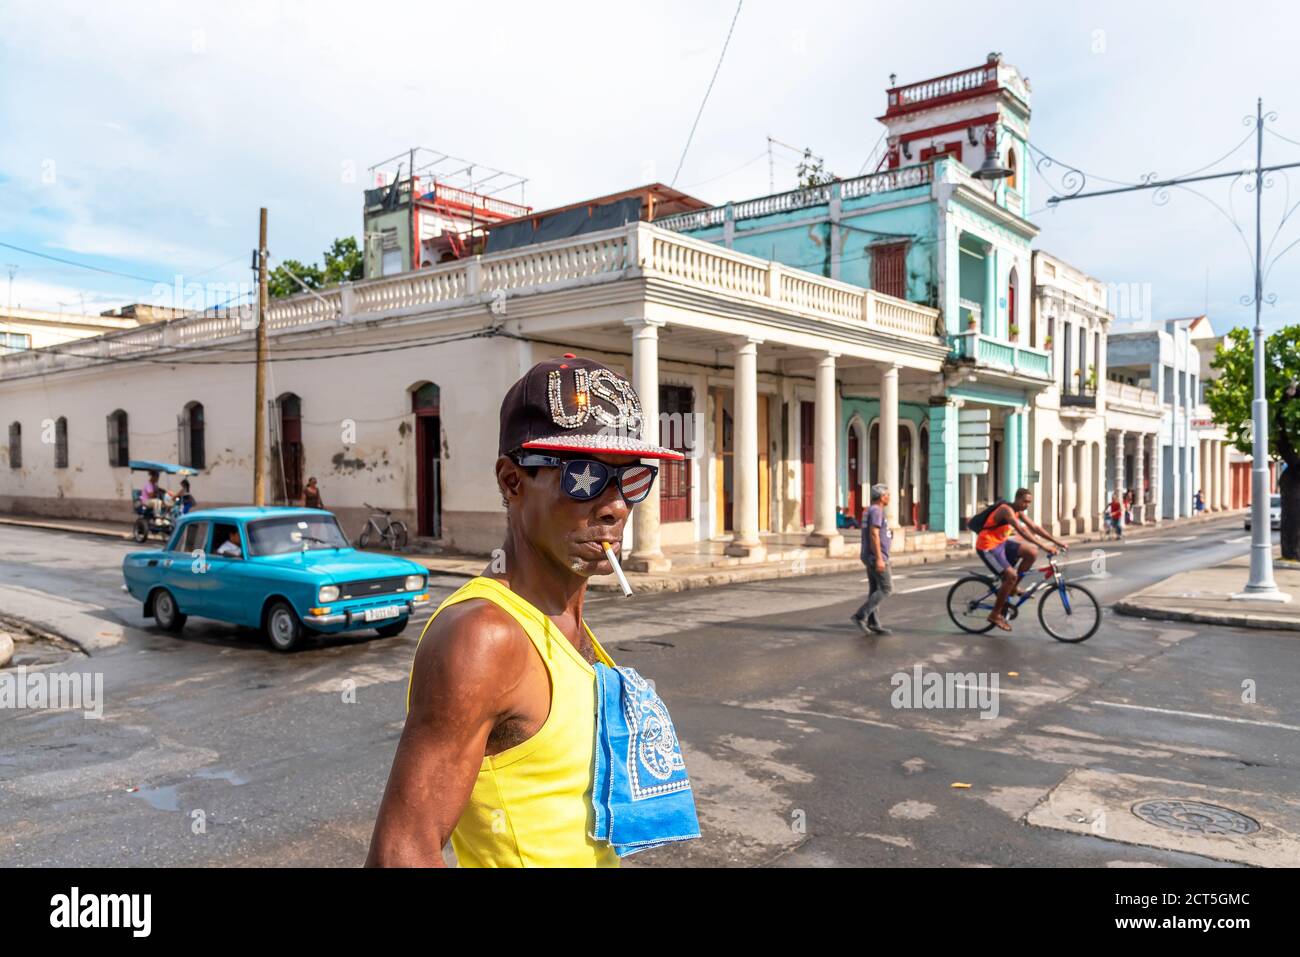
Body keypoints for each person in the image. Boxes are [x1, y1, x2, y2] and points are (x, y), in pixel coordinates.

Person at [367, 355, 697, 868]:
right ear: (512, 481)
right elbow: (402, 851)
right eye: (584, 476)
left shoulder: (564, 617)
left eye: (632, 479)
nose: (615, 506)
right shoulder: (482, 637)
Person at [973, 488, 1064, 632]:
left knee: (1031, 552)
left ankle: (1012, 588)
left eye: (1029, 503)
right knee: (1011, 576)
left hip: (1001, 543)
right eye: (1025, 501)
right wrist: (1044, 547)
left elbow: (1034, 527)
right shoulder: (1006, 510)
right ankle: (995, 614)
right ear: (1017, 499)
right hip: (987, 546)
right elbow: (1021, 530)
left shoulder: (1018, 511)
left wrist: (1056, 542)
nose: (1027, 505)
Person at [851, 484, 894, 635]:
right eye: (887, 495)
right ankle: (860, 616)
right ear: (881, 497)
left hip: (869, 555)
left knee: (875, 589)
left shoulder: (869, 510)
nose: (889, 497)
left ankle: (874, 622)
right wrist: (879, 558)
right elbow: (874, 534)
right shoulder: (876, 511)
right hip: (876, 556)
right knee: (886, 588)